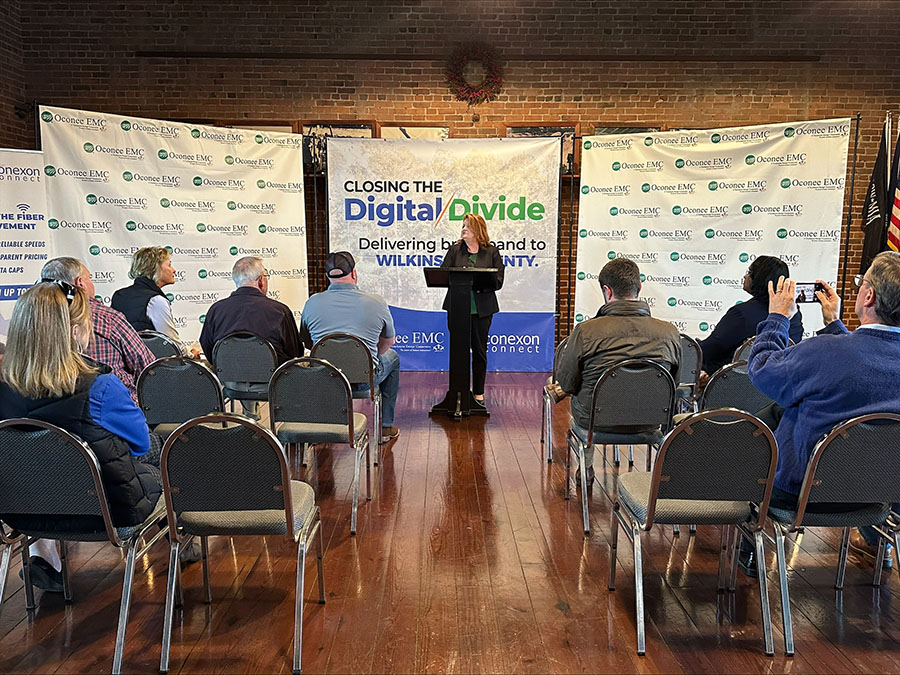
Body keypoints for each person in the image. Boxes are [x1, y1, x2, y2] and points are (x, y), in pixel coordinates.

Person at [741, 251, 900, 575]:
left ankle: (749, 560)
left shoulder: (822, 352)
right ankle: (877, 545)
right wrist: (834, 324)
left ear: (868, 296)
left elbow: (761, 371)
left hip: (800, 494)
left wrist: (777, 318)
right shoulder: (834, 348)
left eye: (861, 282)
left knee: (764, 426)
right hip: (882, 497)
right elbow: (869, 367)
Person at [0, 281, 161, 592]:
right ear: (74, 332)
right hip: (107, 513)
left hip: (21, 513)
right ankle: (183, 552)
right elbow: (139, 445)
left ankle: (43, 554)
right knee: (162, 451)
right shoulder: (100, 387)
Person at [556, 257, 681, 483]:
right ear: (640, 287)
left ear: (607, 290)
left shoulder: (586, 331)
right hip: (650, 423)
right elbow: (673, 385)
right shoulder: (670, 333)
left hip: (595, 423)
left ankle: (586, 469)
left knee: (586, 399)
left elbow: (566, 384)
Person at [299, 251, 401, 442]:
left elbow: (308, 343)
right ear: (354, 273)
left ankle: (322, 425)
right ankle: (386, 427)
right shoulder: (376, 302)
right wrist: (366, 357)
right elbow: (389, 341)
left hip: (324, 376)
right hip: (363, 380)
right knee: (393, 357)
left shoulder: (312, 303)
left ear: (327, 276)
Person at [199, 256, 302, 419]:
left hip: (231, 383)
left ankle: (249, 418)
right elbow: (295, 351)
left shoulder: (216, 310)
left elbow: (208, 348)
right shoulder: (279, 311)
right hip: (273, 382)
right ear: (261, 281)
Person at [40, 257, 155, 403]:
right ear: (80, 282)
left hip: (47, 415)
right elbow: (147, 367)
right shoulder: (108, 318)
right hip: (112, 411)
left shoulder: (30, 320)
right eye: (89, 279)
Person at [439, 213, 505, 406]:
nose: (463, 229)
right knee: (458, 352)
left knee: (479, 352)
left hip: (482, 311)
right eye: (463, 225)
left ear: (478, 230)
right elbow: (444, 274)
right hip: (457, 309)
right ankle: (457, 393)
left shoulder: (491, 251)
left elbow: (498, 281)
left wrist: (476, 282)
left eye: (467, 226)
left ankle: (478, 394)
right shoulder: (454, 250)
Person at [698, 255, 803, 376]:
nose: (745, 276)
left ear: (758, 278)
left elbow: (708, 351)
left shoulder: (741, 314)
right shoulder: (794, 313)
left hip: (732, 386)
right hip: (777, 385)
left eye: (749, 272)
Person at [111, 246, 201, 357]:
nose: (174, 270)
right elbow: (171, 344)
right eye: (169, 265)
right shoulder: (156, 301)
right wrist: (191, 355)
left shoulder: (119, 295)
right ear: (156, 268)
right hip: (151, 368)